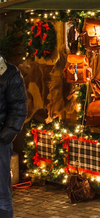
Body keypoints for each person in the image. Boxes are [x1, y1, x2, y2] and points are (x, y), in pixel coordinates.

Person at [1, 55, 27, 218]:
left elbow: (18, 108)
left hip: (0, 142)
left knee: (1, 193)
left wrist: (4, 137)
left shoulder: (10, 74)